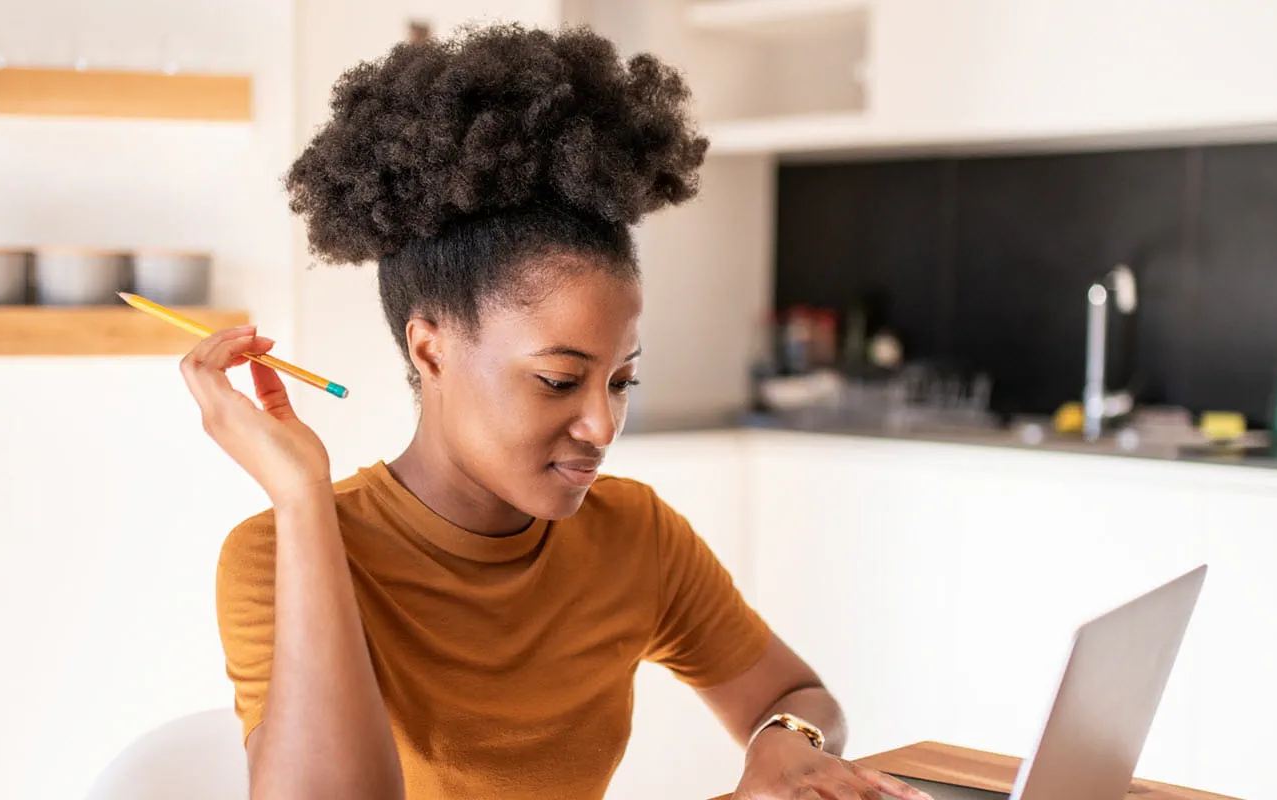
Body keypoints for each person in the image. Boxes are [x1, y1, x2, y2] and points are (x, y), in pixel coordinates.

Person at [180, 23, 931, 800]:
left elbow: (798, 699)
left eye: (621, 382)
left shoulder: (635, 536)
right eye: (557, 380)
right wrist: (304, 500)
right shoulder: (278, 553)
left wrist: (785, 743)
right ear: (430, 350)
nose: (602, 426)